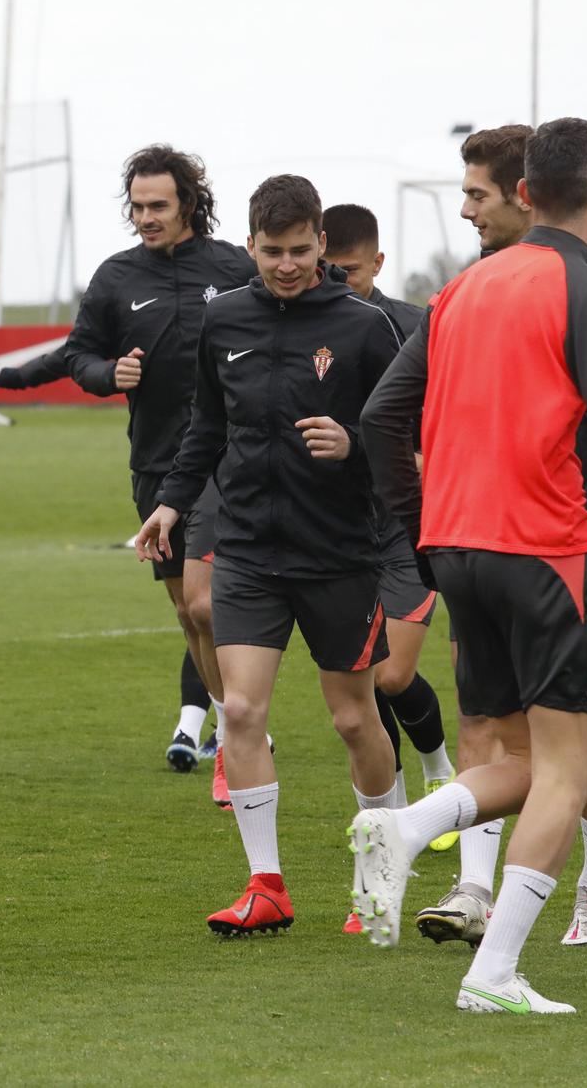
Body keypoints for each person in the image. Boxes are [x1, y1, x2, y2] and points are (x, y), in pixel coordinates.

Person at [351, 117, 587, 1015]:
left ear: (524, 193)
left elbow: (377, 419)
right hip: (546, 551)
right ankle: (492, 974)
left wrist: (420, 533)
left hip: (458, 552)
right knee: (573, 766)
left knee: (517, 753)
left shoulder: (459, 291)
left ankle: (408, 824)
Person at [409, 125, 587, 950]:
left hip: (583, 535)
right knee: (490, 721)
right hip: (498, 534)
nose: (466, 213)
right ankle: (470, 890)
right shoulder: (473, 289)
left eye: (477, 197)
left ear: (525, 193)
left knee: (586, 727)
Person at [134, 175, 405, 936]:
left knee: (354, 717)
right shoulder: (224, 321)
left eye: (299, 250)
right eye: (270, 251)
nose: (285, 265)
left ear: (322, 243)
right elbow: (205, 430)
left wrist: (352, 444)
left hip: (339, 551)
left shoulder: (363, 327)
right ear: (249, 245)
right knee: (243, 710)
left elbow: (401, 436)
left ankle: (379, 877)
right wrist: (171, 503)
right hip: (248, 548)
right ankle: (266, 885)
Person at [0, 144, 256, 800]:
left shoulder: (233, 267)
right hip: (154, 464)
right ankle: (229, 725)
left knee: (204, 600)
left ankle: (233, 739)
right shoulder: (115, 278)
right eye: (137, 207)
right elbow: (80, 353)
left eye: (158, 205)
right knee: (187, 613)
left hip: (227, 459)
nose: (146, 218)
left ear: (189, 202)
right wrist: (109, 374)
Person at [320, 203, 460, 873]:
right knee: (364, 683)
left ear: (378, 262)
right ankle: (399, 826)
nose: (336, 280)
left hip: (407, 523)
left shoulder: (414, 326)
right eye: (329, 268)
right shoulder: (303, 327)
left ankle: (439, 765)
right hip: (338, 531)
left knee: (392, 671)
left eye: (348, 269)